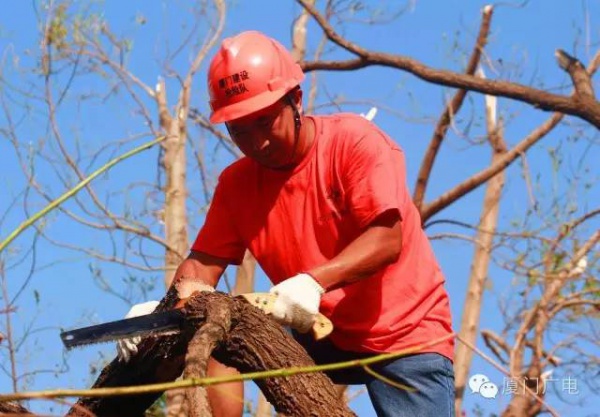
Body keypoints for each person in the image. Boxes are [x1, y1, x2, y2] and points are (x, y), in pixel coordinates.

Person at [117, 30, 455, 417]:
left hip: (404, 333)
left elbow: (386, 239)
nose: (256, 141)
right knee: (214, 323)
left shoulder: (355, 143)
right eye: (239, 130)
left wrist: (315, 281)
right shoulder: (236, 185)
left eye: (264, 122)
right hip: (319, 332)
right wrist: (162, 311)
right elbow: (201, 267)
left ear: (295, 99)